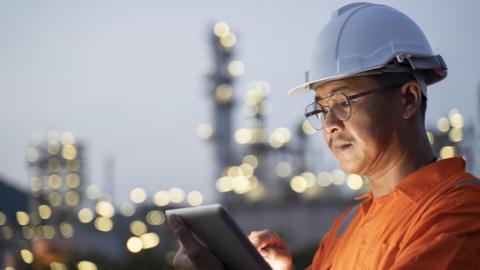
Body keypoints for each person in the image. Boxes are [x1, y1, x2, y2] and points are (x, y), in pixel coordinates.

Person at [167, 2, 480, 269]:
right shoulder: (347, 227)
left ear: (408, 99)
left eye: (343, 103)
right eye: (321, 109)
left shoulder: (460, 214)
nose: (329, 124)